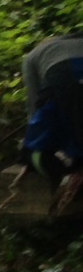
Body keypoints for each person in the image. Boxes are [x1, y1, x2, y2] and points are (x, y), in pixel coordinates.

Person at [19, 34, 83, 213]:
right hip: (67, 81)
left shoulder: (33, 56)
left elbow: (34, 106)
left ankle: (68, 173)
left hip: (64, 78)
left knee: (31, 152)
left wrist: (30, 138)